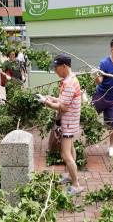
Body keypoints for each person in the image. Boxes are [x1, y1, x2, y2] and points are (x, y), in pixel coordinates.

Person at [35, 54, 84, 195]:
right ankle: (70, 176)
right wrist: (52, 98)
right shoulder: (72, 79)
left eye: (56, 67)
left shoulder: (68, 83)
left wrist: (45, 102)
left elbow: (63, 107)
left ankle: (76, 184)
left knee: (64, 154)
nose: (55, 70)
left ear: (64, 67)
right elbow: (65, 100)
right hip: (71, 121)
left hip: (68, 122)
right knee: (71, 150)